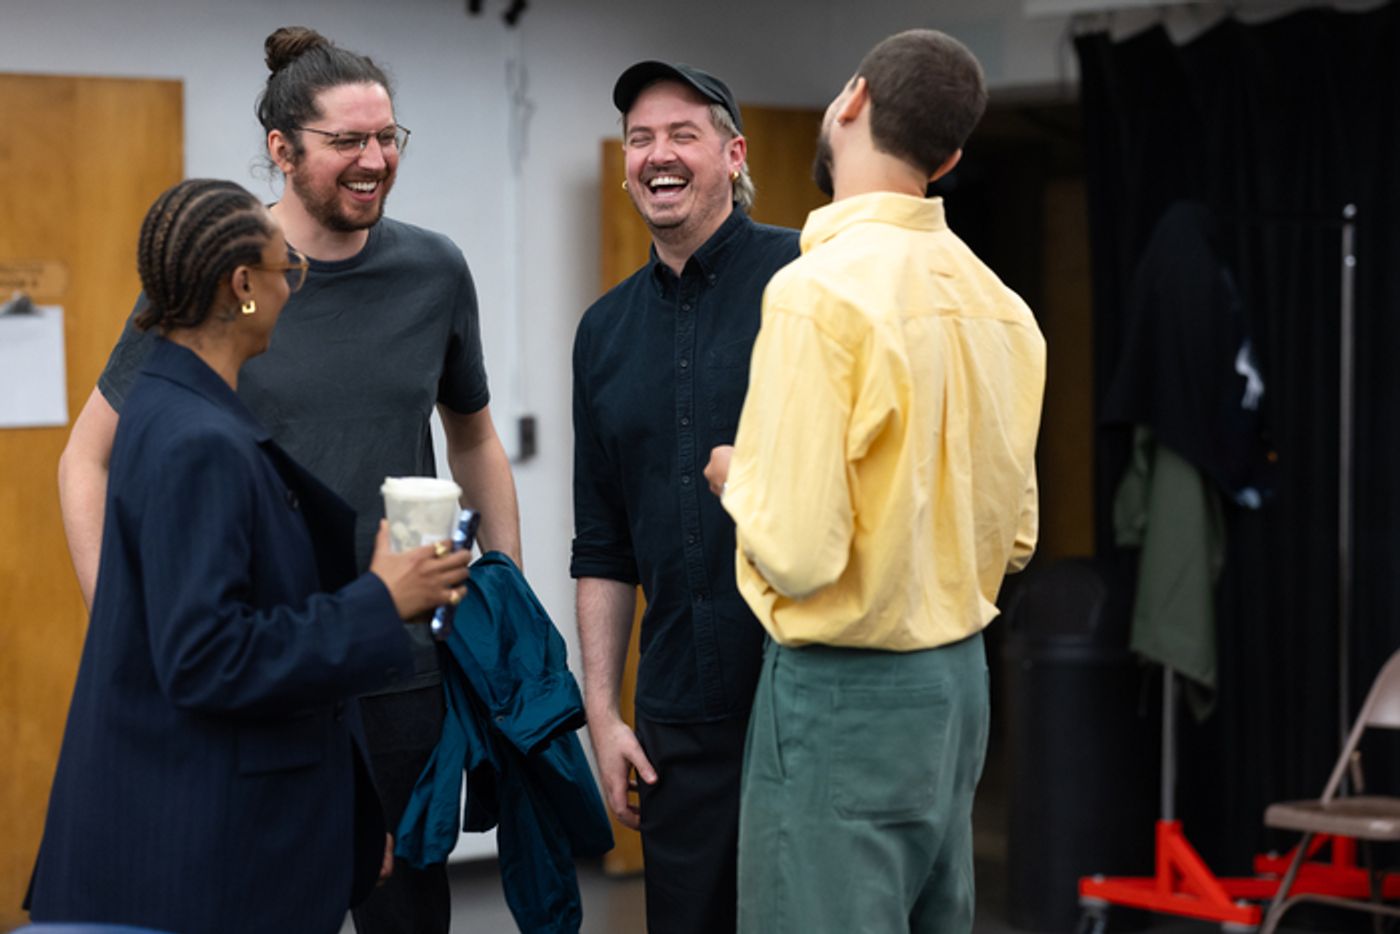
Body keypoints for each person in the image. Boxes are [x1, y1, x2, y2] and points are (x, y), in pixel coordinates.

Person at [54, 27, 520, 934]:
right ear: (282, 149)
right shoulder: (221, 276)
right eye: (349, 142)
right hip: (256, 665)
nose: (375, 160)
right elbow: (86, 457)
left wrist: (499, 598)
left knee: (406, 911)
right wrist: (132, 630)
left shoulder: (434, 270)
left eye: (388, 138)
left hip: (401, 667)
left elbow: (475, 442)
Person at [703, 30, 1047, 934]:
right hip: (959, 692)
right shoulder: (1005, 308)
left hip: (842, 697)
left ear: (850, 99)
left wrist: (742, 478)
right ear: (951, 156)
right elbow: (1016, 540)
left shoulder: (817, 294)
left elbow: (804, 551)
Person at [570, 61, 799, 933]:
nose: (657, 156)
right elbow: (602, 544)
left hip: (802, 696)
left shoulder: (805, 280)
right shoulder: (604, 331)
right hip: (676, 724)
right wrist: (603, 712)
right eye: (639, 139)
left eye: (682, 135)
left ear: (733, 155)